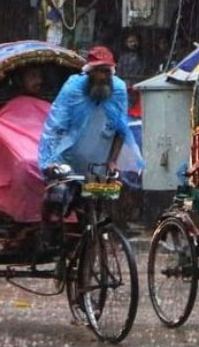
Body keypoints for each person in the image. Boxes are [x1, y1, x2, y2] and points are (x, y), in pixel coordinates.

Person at [37, 45, 136, 241]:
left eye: (106, 71)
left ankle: (89, 253)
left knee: (100, 205)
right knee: (58, 197)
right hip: (68, 157)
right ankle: (46, 234)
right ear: (89, 72)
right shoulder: (73, 89)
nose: (102, 76)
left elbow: (121, 129)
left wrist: (113, 161)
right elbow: (56, 126)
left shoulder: (118, 90)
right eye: (98, 71)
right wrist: (50, 160)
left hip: (99, 160)